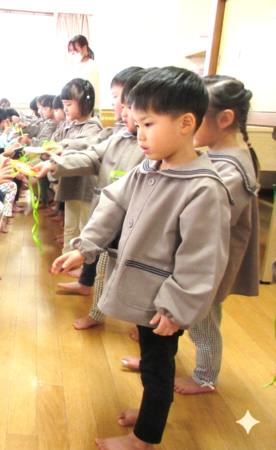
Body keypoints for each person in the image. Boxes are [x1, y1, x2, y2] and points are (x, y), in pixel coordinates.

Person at [52, 67, 231, 449]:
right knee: (150, 360)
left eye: (148, 124)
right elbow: (113, 203)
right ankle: (152, 409)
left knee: (157, 365)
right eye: (137, 122)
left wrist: (177, 307)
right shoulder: (150, 166)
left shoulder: (204, 188)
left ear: (186, 123)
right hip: (144, 289)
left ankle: (144, 437)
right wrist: (85, 247)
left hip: (165, 299)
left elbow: (202, 260)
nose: (139, 133)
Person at [122, 75, 261, 394]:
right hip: (189, 260)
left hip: (207, 268)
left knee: (203, 321)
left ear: (224, 119)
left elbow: (203, 219)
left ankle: (205, 376)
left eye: (197, 117)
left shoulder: (233, 167)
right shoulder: (212, 154)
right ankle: (157, 363)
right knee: (177, 318)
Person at [36, 69, 147, 326]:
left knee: (129, 275)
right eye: (120, 101)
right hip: (109, 218)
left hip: (129, 222)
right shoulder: (120, 135)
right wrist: (54, 162)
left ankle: (143, 324)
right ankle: (98, 312)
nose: (120, 108)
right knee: (102, 268)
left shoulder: (144, 145)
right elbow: (92, 153)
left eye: (122, 101)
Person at [49, 78, 102, 258]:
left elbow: (80, 145)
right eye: (64, 104)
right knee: (70, 225)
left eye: (69, 104)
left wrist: (61, 147)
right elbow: (56, 142)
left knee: (84, 226)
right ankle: (67, 256)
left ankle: (83, 262)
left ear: (85, 103)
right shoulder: (71, 125)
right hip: (71, 183)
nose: (65, 109)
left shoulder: (93, 127)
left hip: (86, 186)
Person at [67, 35, 101, 114]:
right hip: (78, 109)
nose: (72, 53)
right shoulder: (77, 66)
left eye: (75, 50)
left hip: (89, 110)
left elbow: (88, 91)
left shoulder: (91, 66)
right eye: (70, 50)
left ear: (85, 48)